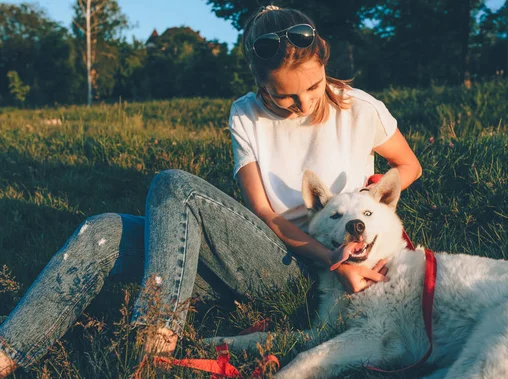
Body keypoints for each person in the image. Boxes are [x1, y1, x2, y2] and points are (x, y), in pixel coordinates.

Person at [0, 5, 421, 378]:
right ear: (260, 83)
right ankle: (9, 351)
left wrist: (368, 199)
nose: (304, 104)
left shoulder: (361, 108)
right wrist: (331, 258)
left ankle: (154, 339)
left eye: (313, 87)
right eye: (284, 95)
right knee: (104, 230)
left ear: (323, 58)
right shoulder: (244, 114)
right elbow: (265, 212)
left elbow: (408, 164)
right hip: (269, 252)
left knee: (173, 185)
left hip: (321, 266)